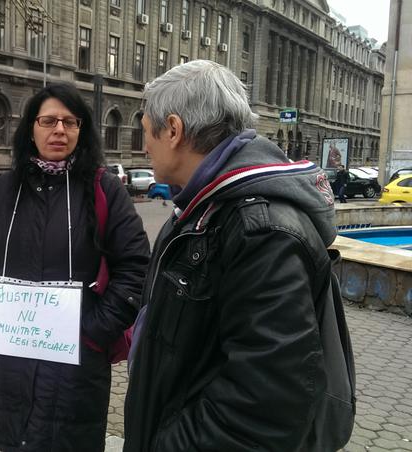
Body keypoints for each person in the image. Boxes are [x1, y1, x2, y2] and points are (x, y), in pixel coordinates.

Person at [124, 60, 338, 451]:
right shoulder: (201, 209)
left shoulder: (260, 230)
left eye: (146, 134)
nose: (145, 147)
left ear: (173, 130)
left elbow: (266, 403)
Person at [0, 83, 150, 451]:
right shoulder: (4, 190)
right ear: (31, 129)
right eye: (48, 120)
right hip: (6, 361)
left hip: (74, 366)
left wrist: (94, 331)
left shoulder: (105, 190)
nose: (59, 130)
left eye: (70, 121)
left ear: (82, 131)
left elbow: (135, 267)